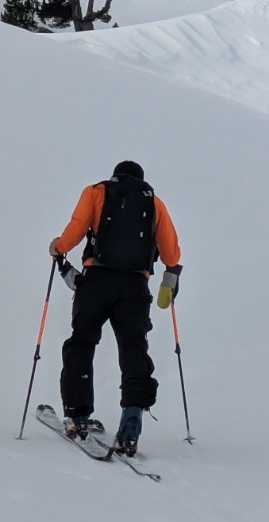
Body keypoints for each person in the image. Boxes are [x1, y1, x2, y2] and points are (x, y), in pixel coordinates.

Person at [49, 160, 182, 456]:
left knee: (82, 343)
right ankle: (131, 425)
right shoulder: (154, 203)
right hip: (134, 287)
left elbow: (74, 231)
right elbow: (172, 254)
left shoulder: (96, 192)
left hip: (97, 281)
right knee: (134, 351)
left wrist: (57, 247)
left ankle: (78, 417)